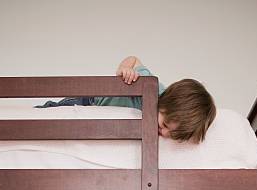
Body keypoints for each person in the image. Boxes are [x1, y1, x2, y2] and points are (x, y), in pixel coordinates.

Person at [35, 56, 216, 143]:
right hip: (91, 102)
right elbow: (133, 59)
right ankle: (34, 112)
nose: (165, 133)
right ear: (165, 101)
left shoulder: (166, 121)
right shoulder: (149, 87)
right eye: (165, 125)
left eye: (174, 135)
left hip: (102, 118)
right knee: (54, 111)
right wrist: (124, 70)